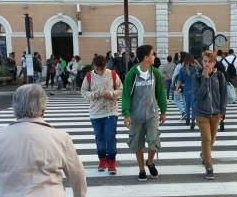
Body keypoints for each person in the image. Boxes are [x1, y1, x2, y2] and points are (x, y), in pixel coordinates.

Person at [121, 44, 167, 181]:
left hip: (152, 114)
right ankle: (141, 169)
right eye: (153, 54)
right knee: (137, 143)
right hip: (136, 116)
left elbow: (160, 93)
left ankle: (150, 162)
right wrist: (126, 114)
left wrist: (163, 111)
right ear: (146, 58)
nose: (154, 57)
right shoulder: (132, 75)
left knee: (154, 141)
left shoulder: (155, 73)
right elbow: (126, 95)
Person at [81, 55, 122, 174]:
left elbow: (121, 89)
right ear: (94, 66)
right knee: (99, 138)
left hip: (111, 111)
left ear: (105, 66)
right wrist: (96, 94)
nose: (100, 71)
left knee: (110, 137)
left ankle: (112, 162)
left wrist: (112, 94)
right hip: (95, 113)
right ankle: (102, 160)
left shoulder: (113, 74)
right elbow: (83, 92)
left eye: (102, 69)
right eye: (98, 69)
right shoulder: (89, 76)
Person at [194, 50, 227, 180]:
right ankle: (209, 167)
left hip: (216, 113)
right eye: (205, 61)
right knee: (206, 139)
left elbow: (224, 94)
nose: (207, 64)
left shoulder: (219, 76)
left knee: (212, 140)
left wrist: (223, 110)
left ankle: (204, 154)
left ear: (214, 63)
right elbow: (198, 96)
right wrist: (205, 78)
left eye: (209, 62)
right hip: (201, 113)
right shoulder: (197, 76)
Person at [176, 53, 199, 129]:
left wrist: (176, 89)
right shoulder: (194, 68)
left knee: (187, 105)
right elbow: (197, 77)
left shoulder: (182, 69)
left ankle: (187, 119)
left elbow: (179, 80)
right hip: (194, 89)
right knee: (193, 106)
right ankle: (193, 120)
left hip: (186, 89)